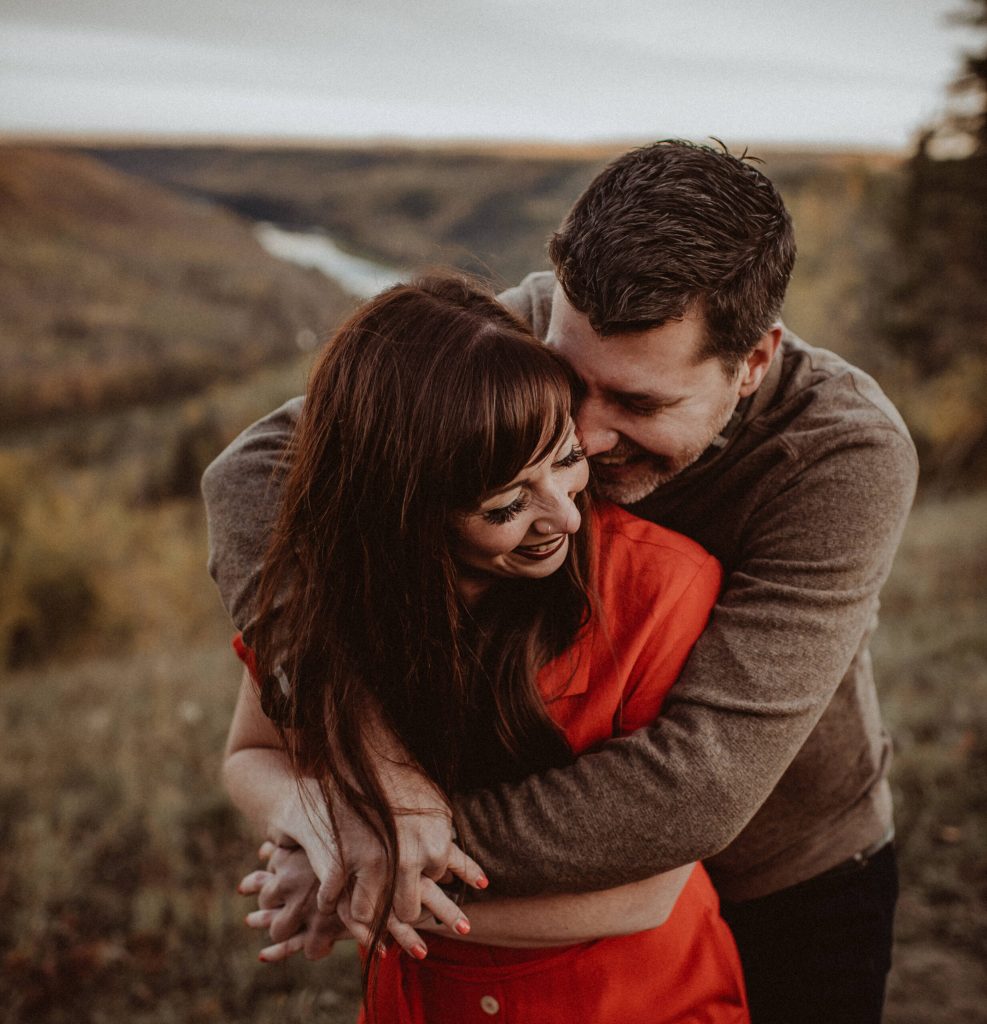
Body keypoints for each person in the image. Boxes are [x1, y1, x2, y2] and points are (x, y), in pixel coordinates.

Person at [203, 140, 918, 1024]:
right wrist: (375, 768)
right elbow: (252, 473)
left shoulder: (846, 452)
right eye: (571, 381)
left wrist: (378, 845)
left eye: (641, 405)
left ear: (754, 362)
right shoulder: (533, 324)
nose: (584, 435)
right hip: (548, 851)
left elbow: (692, 786)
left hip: (791, 865)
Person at [219, 274, 749, 1023]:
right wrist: (329, 822)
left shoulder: (660, 588)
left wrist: (364, 901)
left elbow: (647, 892)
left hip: (634, 1002)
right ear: (406, 510)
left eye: (566, 458)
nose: (564, 516)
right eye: (505, 505)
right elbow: (252, 756)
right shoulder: (333, 599)